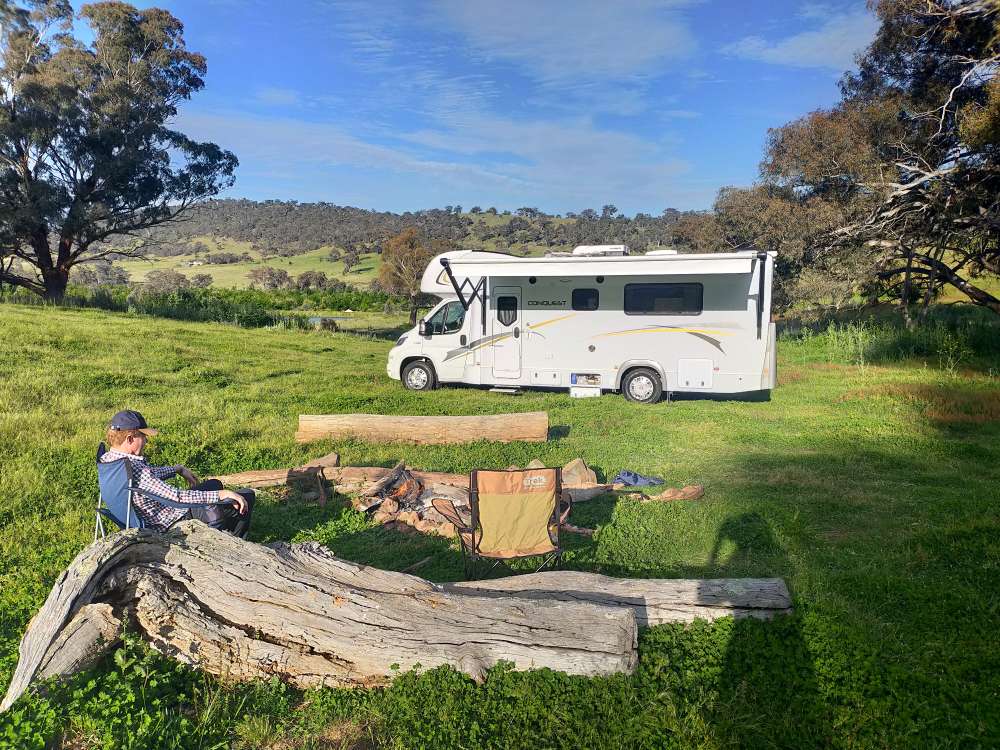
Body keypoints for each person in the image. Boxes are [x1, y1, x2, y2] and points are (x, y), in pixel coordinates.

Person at [99, 409, 254, 538]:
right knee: (247, 495)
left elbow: (148, 476)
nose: (146, 441)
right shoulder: (136, 469)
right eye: (143, 436)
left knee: (214, 484)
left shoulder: (109, 460)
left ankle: (225, 529)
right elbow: (177, 497)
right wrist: (220, 495)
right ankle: (235, 546)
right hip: (170, 522)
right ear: (130, 438)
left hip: (154, 516)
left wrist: (177, 469)